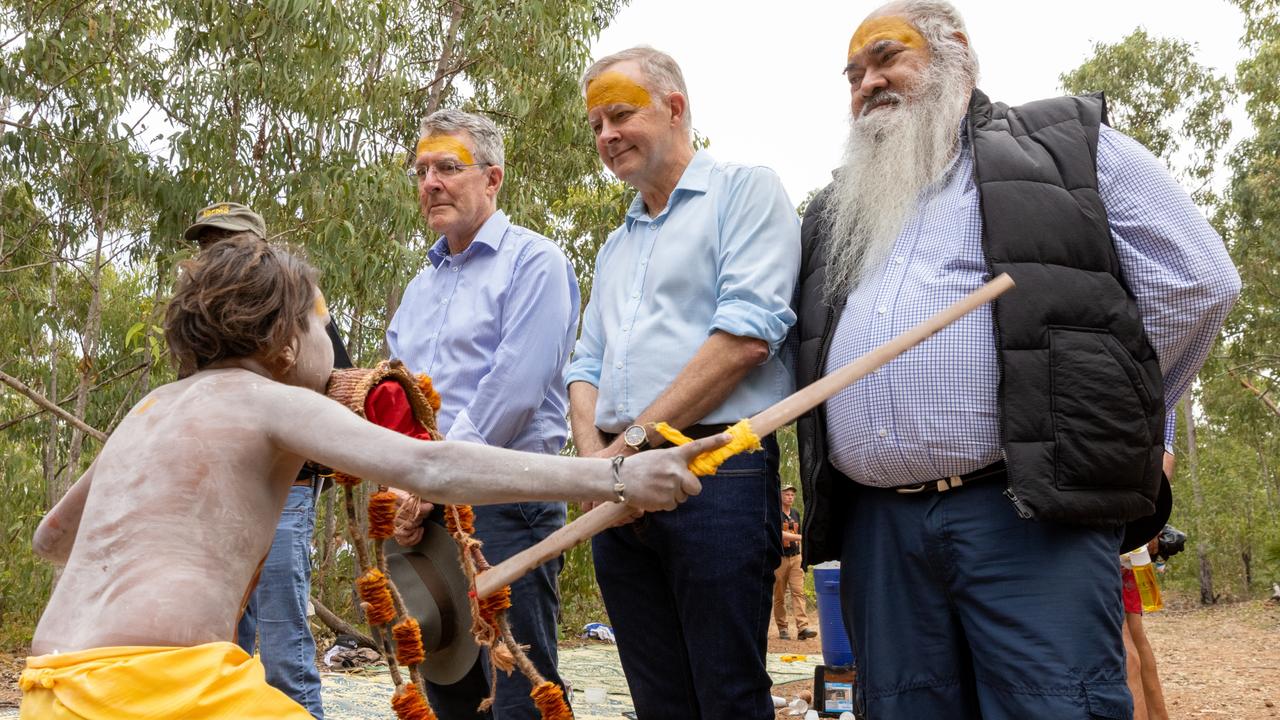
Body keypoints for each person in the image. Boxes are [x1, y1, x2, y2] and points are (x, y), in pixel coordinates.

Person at [21, 236, 725, 719]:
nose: (336, 352)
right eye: (325, 327)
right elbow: (434, 465)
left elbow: (53, 535)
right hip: (162, 685)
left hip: (53, 682)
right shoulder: (273, 398)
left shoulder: (149, 409)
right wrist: (619, 479)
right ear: (287, 339)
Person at [792, 2, 1240, 717]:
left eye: (886, 57)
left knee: (1055, 705)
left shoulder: (1066, 144)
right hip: (879, 532)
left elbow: (1197, 282)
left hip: (1026, 513)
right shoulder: (836, 210)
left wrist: (1118, 416)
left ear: (955, 56)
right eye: (853, 74)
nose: (867, 82)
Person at [566, 46, 801, 718]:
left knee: (726, 696)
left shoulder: (745, 190)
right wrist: (595, 464)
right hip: (618, 488)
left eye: (620, 114)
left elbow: (744, 338)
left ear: (675, 108)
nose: (606, 135)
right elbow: (586, 365)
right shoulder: (617, 244)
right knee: (658, 700)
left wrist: (629, 445)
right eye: (595, 126)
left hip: (713, 474)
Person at [386, 109, 580, 718]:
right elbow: (395, 396)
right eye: (421, 171)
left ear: (493, 180)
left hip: (504, 501)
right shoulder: (420, 288)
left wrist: (430, 475)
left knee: (519, 684)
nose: (430, 183)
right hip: (425, 505)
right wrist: (401, 480)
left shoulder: (536, 263)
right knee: (447, 682)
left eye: (448, 166)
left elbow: (514, 390)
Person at [183, 201, 348, 718]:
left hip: (285, 487)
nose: (214, 252)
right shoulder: (199, 314)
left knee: (282, 634)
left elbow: (338, 375)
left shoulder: (300, 300)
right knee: (225, 636)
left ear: (259, 245)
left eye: (226, 241)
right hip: (222, 493)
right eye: (207, 243)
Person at [774, 485, 815, 641]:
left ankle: (802, 627)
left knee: (798, 592)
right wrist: (801, 538)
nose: (790, 497)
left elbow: (799, 532)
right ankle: (783, 628)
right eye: (787, 494)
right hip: (780, 559)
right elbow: (779, 533)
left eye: (792, 495)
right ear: (780, 496)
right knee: (779, 596)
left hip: (796, 557)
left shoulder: (796, 514)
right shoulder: (775, 513)